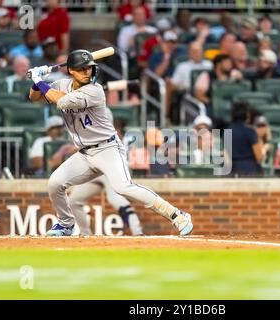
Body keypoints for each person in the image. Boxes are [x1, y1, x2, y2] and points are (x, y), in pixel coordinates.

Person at [28, 49, 193, 236]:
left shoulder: (94, 90)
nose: (87, 72)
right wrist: (36, 82)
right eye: (82, 69)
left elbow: (62, 102)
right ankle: (66, 224)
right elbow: (34, 98)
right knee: (55, 183)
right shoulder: (61, 84)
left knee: (123, 187)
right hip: (84, 154)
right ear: (71, 71)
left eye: (89, 68)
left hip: (108, 149)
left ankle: (177, 215)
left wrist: (40, 81)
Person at [69, 115, 144, 236]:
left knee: (115, 199)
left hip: (113, 171)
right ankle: (85, 233)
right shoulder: (98, 134)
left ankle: (137, 231)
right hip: (96, 171)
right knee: (73, 201)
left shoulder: (128, 140)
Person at [225, 103, 263, 176]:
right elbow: (259, 156)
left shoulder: (227, 131)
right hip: (250, 170)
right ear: (246, 115)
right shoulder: (250, 131)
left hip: (233, 170)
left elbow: (226, 156)